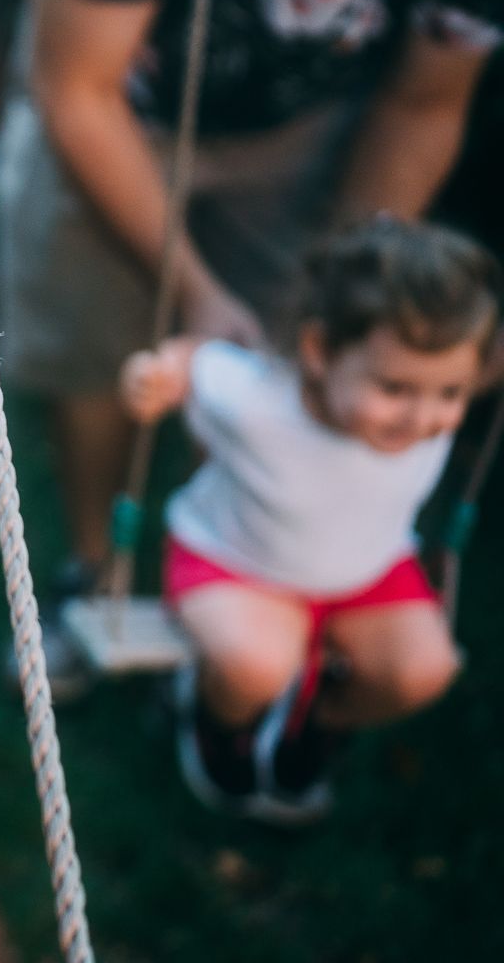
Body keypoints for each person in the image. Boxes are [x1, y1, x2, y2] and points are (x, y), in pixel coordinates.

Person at [0, 0, 504, 682]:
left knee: (290, 368)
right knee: (93, 359)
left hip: (302, 128)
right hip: (112, 108)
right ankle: (97, 575)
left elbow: (422, 106)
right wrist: (194, 291)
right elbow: (75, 90)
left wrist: (351, 287)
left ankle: (238, 598)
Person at [119, 216, 500, 823]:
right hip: (236, 562)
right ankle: (220, 723)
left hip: (369, 569)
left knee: (425, 671)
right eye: (396, 388)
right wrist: (159, 371)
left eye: (450, 393)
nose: (423, 417)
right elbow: (197, 363)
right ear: (320, 351)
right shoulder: (259, 403)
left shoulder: (428, 393)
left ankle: (316, 723)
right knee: (255, 666)